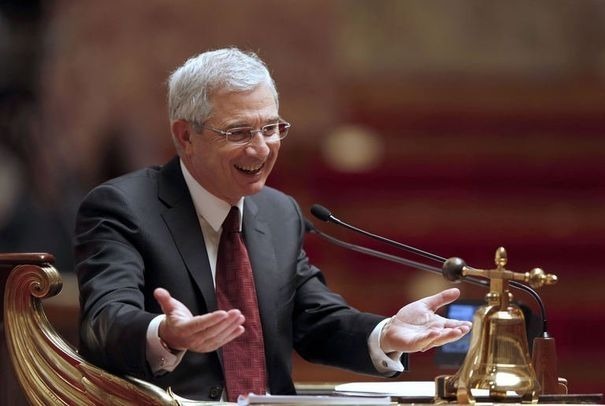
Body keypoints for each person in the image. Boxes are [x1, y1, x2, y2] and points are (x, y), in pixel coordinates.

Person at [75, 48, 472, 402]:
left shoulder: (278, 212)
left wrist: (386, 333)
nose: (261, 148)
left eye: (271, 128)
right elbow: (104, 320)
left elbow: (315, 320)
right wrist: (164, 333)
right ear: (186, 136)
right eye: (239, 132)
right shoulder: (122, 207)